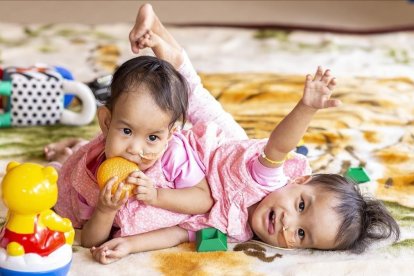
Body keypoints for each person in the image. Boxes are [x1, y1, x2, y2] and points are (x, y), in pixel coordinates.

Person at [46, 3, 400, 264]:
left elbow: (184, 229)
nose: (289, 224)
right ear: (298, 179)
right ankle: (158, 37)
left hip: (182, 184)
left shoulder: (238, 231)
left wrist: (131, 245)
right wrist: (306, 107)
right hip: (218, 150)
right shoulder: (266, 179)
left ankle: (74, 148)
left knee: (164, 114)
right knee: (190, 97)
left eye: (303, 235)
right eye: (302, 205)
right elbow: (279, 145)